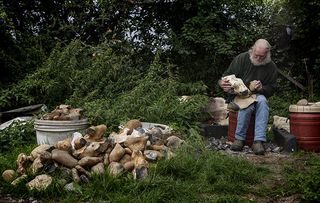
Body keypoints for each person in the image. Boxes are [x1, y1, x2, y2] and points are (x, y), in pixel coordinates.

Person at [218, 39, 278, 155]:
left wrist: (262, 88)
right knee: (247, 105)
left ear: (268, 54)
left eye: (262, 56)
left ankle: (258, 141)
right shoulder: (242, 59)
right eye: (257, 55)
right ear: (252, 50)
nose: (259, 58)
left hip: (259, 95)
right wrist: (222, 83)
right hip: (239, 95)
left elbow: (272, 88)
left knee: (263, 102)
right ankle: (239, 139)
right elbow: (225, 77)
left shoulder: (271, 67)